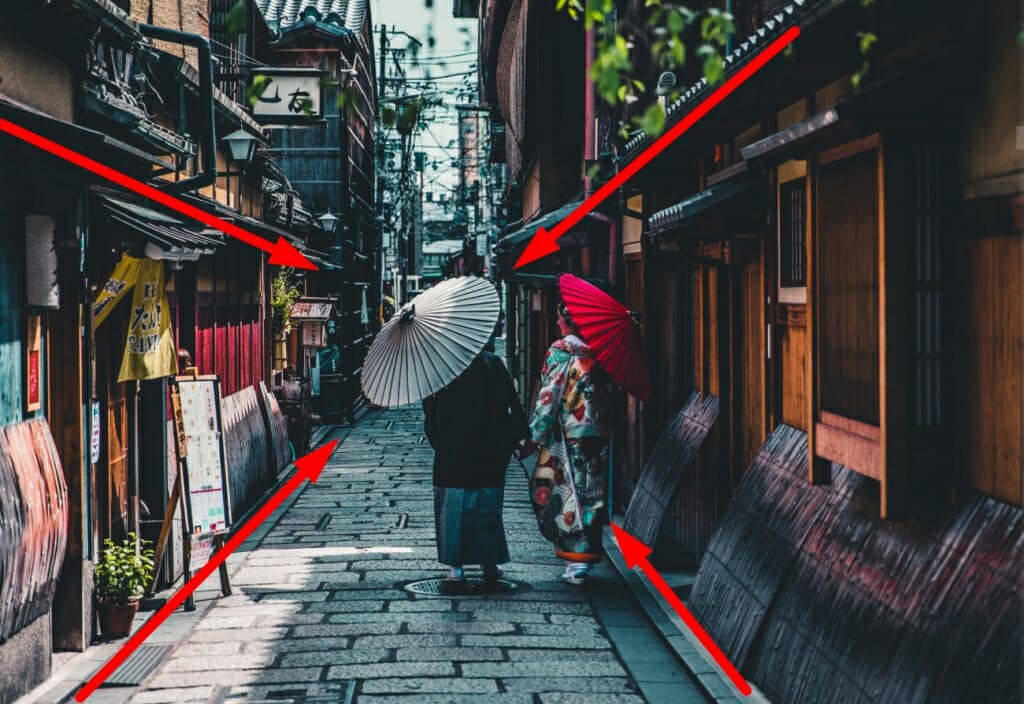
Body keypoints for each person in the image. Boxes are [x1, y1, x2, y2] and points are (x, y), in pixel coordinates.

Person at [423, 337, 529, 585]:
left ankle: (455, 568)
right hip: (489, 448)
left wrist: (439, 441)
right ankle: (489, 564)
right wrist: (516, 437)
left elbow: (430, 412)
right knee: (487, 506)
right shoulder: (492, 364)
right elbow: (510, 404)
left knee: (453, 508)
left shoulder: (440, 369)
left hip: (452, 450)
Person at [519, 302, 611, 585]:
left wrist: (533, 436)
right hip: (595, 432)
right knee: (590, 493)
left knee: (561, 490)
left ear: (567, 322)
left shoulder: (562, 350)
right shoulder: (596, 350)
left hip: (566, 434)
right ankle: (583, 557)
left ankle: (575, 560)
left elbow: (550, 395)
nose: (558, 322)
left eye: (559, 318)